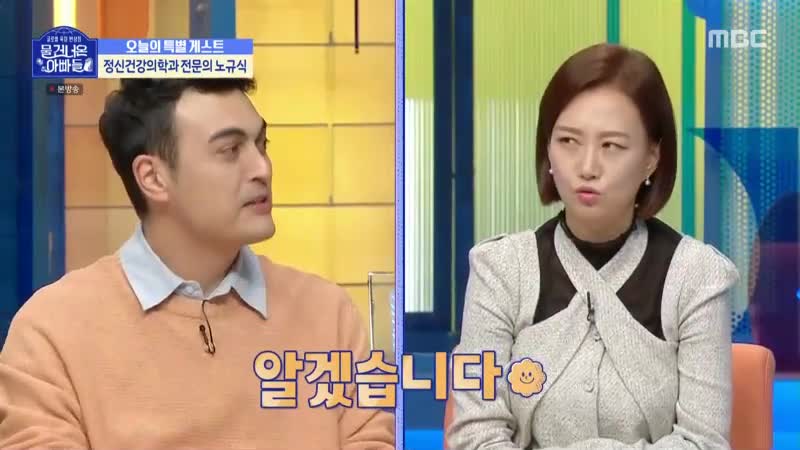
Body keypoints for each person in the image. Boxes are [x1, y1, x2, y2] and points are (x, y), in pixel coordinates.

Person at [0, 79, 395, 449]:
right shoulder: (52, 331)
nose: (263, 168)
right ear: (153, 178)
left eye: (262, 144)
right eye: (230, 150)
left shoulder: (327, 314)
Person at [447, 43, 738, 449]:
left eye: (611, 146)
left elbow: (702, 442)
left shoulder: (696, 276)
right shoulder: (500, 270)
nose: (586, 167)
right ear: (547, 149)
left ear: (652, 158)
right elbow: (474, 436)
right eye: (568, 141)